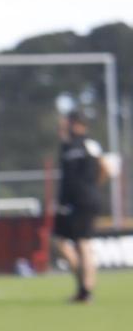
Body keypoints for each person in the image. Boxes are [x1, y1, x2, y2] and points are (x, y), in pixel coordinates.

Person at [53, 111, 111, 304]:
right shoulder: (67, 146)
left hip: (85, 201)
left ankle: (86, 289)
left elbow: (105, 168)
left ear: (78, 124)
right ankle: (83, 286)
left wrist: (92, 187)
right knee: (61, 242)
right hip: (68, 203)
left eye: (69, 123)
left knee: (83, 242)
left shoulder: (90, 144)